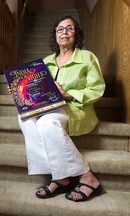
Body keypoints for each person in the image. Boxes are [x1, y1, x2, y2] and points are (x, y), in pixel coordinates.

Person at [13, 14, 105, 202]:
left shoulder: (87, 57)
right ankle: (61, 177)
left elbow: (97, 89)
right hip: (49, 106)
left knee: (47, 123)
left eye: (69, 28)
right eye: (60, 29)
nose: (64, 32)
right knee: (24, 117)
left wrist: (67, 94)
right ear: (55, 35)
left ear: (76, 33)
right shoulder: (45, 62)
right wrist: (18, 89)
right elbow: (35, 90)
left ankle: (87, 176)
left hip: (76, 109)